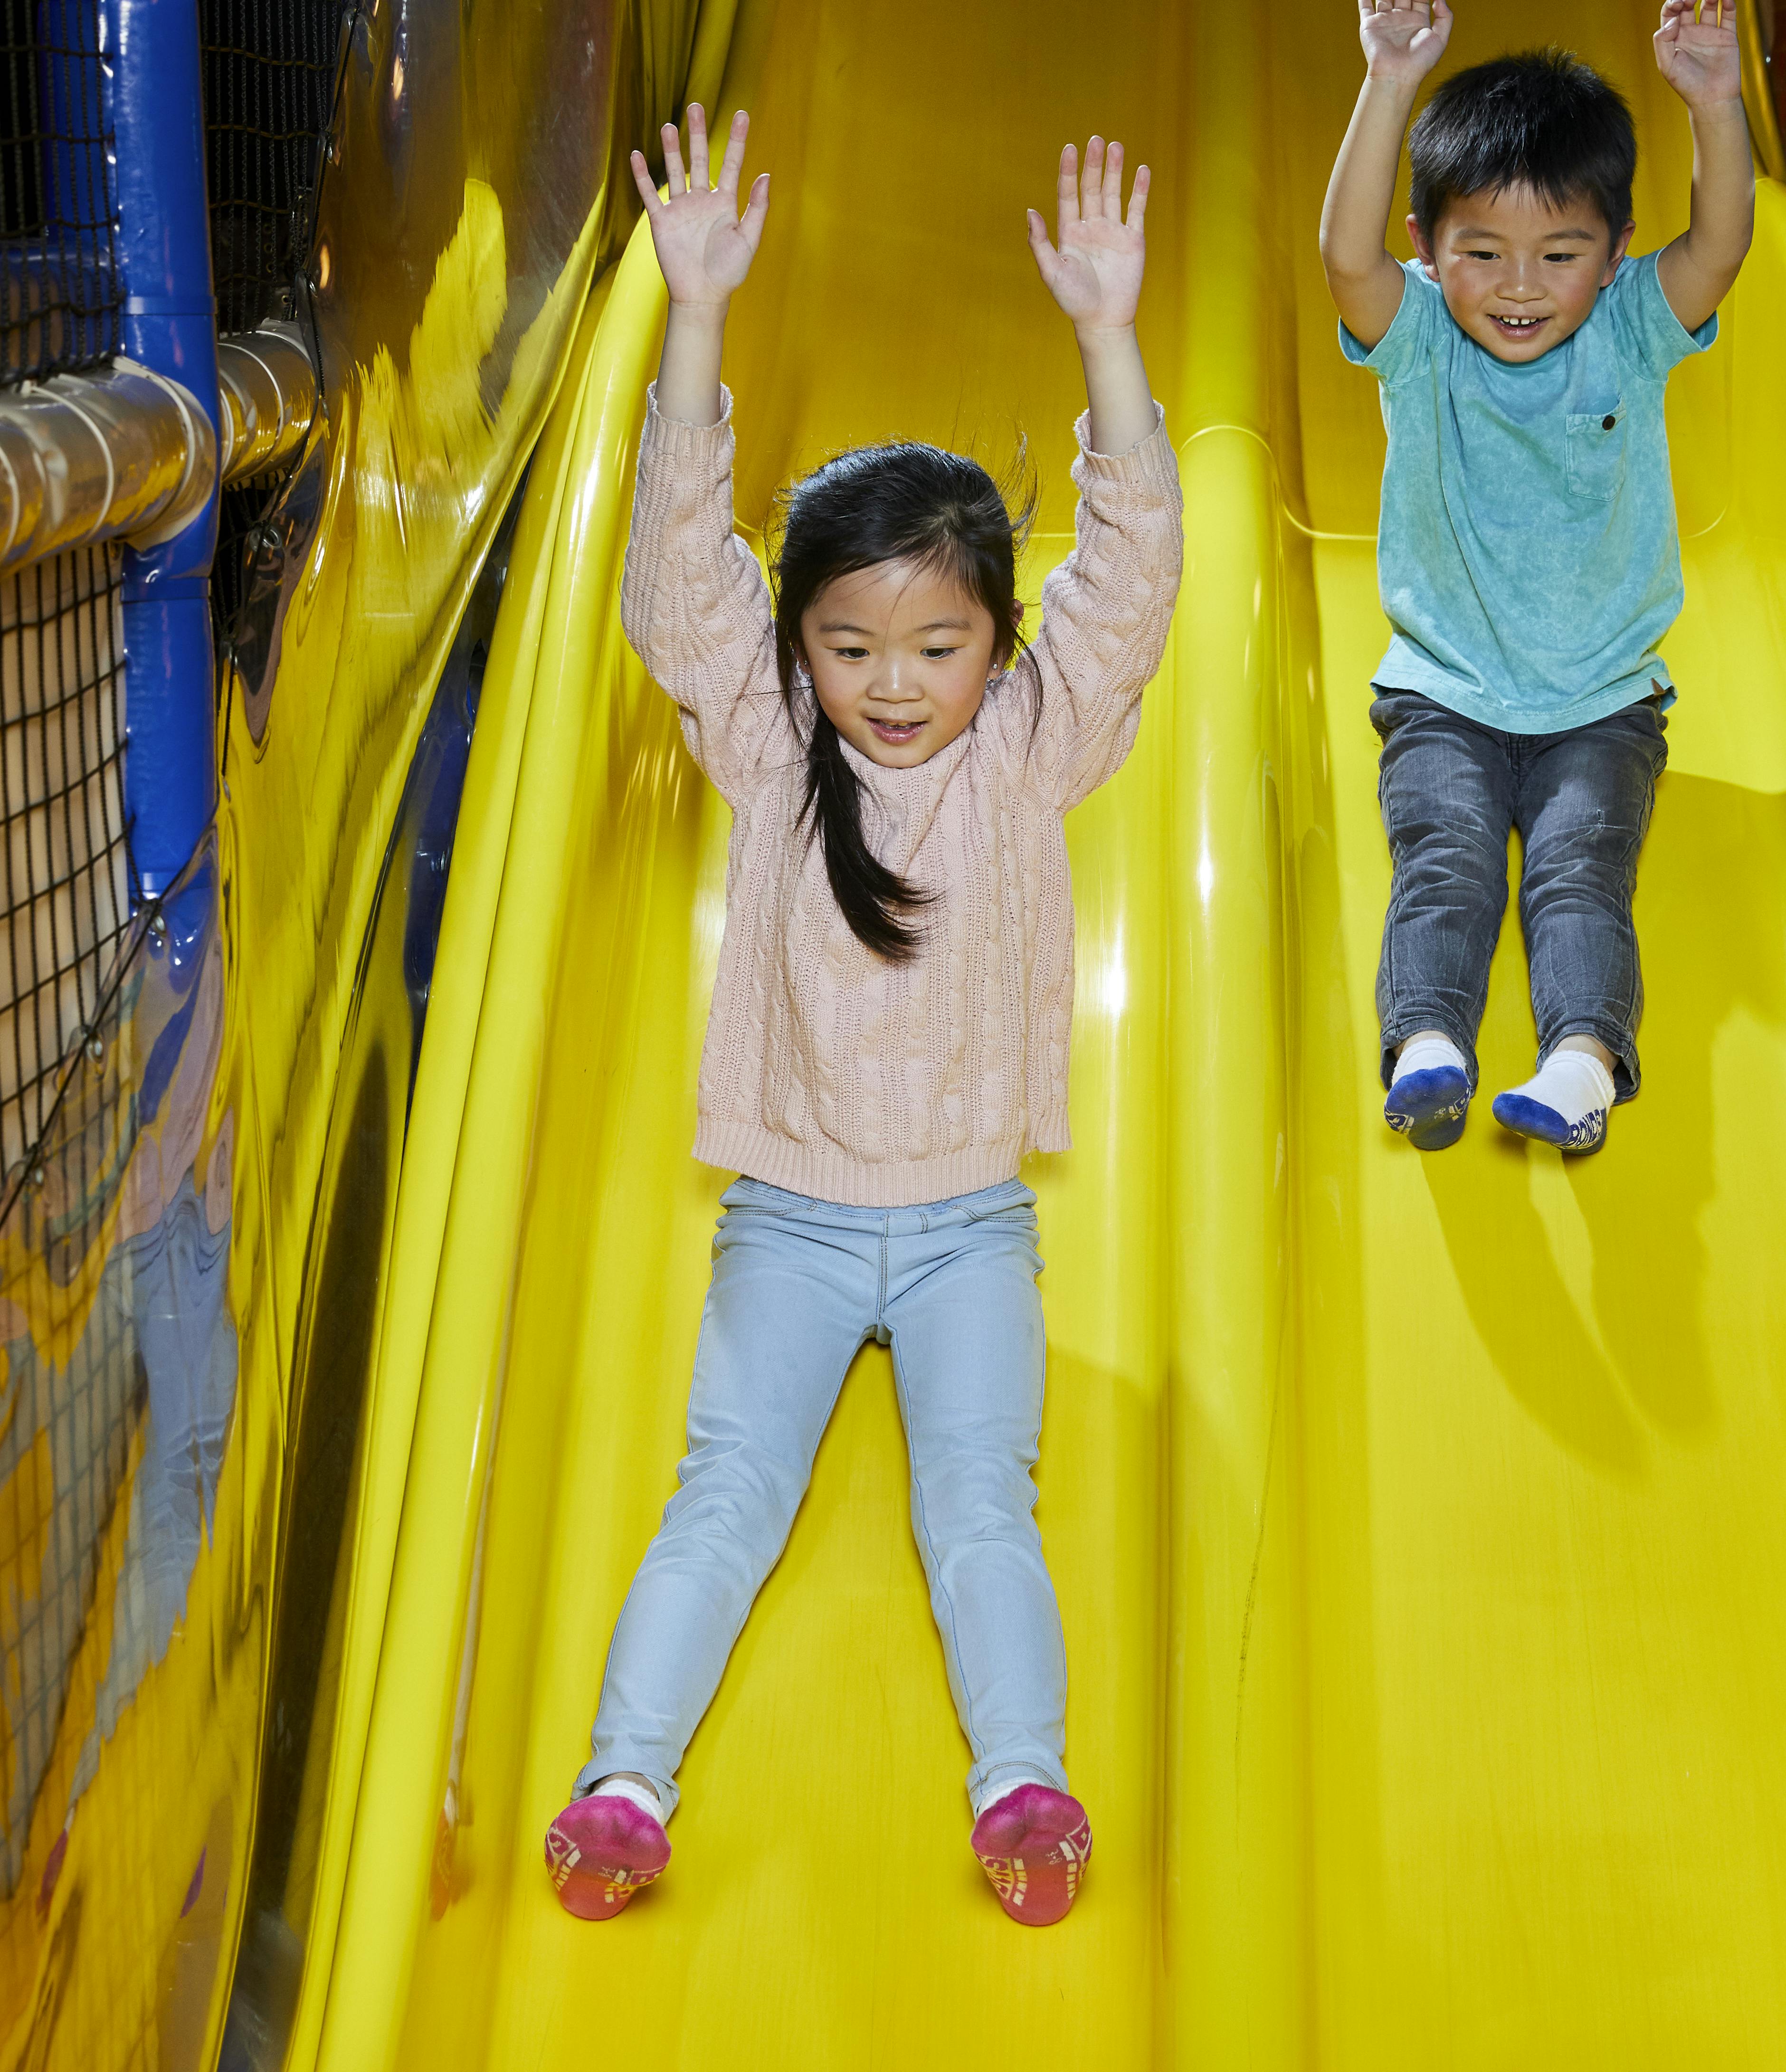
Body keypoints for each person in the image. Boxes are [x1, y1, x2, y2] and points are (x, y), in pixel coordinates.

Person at [541, 106, 1181, 1930]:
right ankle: (620, 1785)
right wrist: (697, 319)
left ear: (994, 639)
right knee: (724, 1497)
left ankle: (1023, 1783)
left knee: (981, 1507)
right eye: (849, 647)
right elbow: (681, 576)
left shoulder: (1034, 750)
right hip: (796, 1224)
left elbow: (1130, 582)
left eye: (935, 646)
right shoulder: (765, 750)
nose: (893, 688)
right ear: (801, 651)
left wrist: (1109, 340)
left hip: (973, 1221)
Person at [1320, 0, 1752, 1154]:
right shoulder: (1416, 341)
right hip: (1442, 691)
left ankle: (1579, 1061)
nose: (1518, 288)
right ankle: (1426, 1048)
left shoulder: (1630, 332)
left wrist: (1713, 101)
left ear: (1611, 257)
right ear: (1429, 247)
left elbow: (1718, 246)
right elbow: (1342, 257)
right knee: (1446, 863)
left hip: (1602, 701)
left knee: (1577, 876)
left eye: (1559, 257)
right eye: (1480, 254)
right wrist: (1388, 82)